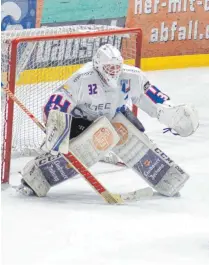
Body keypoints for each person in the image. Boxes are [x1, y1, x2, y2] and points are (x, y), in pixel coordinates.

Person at [16, 44, 199, 198]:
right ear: (97, 65)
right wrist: (55, 125)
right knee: (88, 145)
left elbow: (149, 95)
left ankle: (165, 176)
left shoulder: (131, 76)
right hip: (82, 121)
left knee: (130, 135)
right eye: (109, 68)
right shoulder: (83, 78)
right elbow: (59, 99)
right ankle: (34, 178)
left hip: (114, 117)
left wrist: (169, 111)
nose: (114, 71)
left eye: (116, 67)